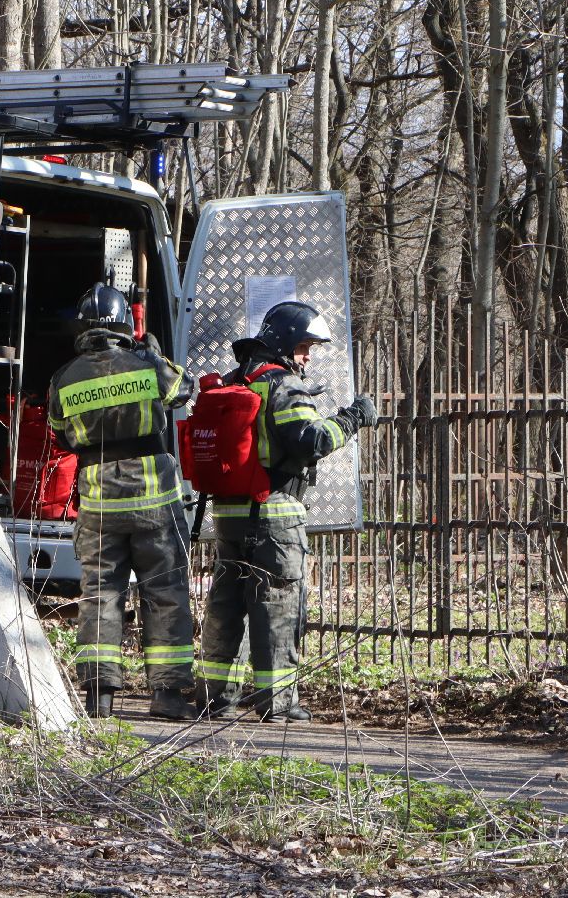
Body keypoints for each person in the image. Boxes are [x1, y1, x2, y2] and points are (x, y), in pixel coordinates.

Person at [195, 301, 376, 722]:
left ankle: (216, 699)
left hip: (229, 515)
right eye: (302, 347)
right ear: (282, 343)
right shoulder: (283, 386)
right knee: (277, 607)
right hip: (275, 516)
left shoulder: (236, 380)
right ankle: (276, 704)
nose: (307, 356)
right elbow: (310, 441)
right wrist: (353, 418)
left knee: (226, 606)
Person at [48, 283, 195, 720]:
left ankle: (100, 698)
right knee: (165, 593)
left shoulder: (64, 377)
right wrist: (153, 355)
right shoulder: (145, 365)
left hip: (98, 505)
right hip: (153, 502)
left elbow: (60, 433)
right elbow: (184, 391)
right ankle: (167, 697)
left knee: (100, 595)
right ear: (126, 326)